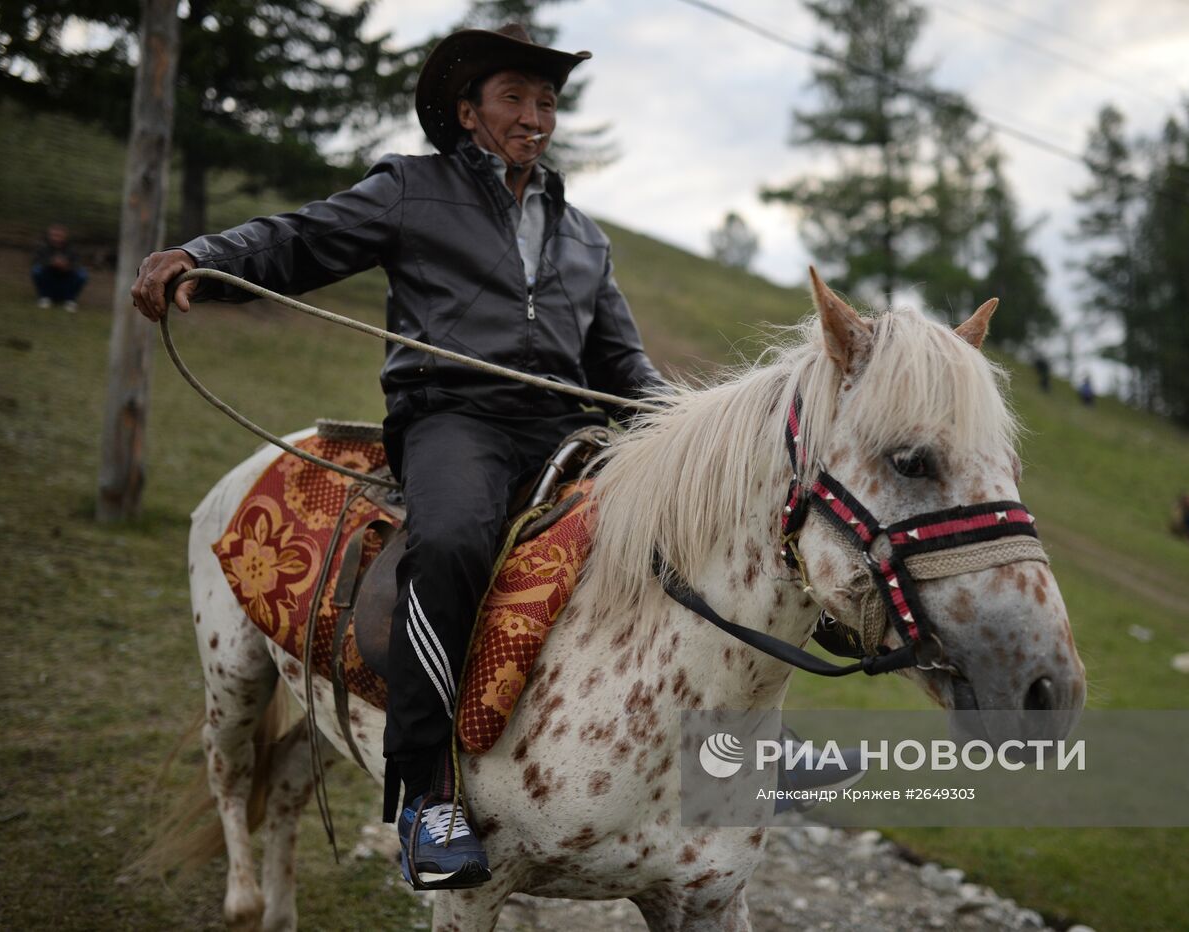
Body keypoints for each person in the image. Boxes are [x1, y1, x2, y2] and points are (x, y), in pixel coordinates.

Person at [131, 22, 859, 891]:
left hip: (565, 428)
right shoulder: (410, 190)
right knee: (451, 545)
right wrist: (204, 259)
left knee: (703, 536)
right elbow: (300, 239)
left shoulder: (584, 237)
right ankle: (426, 798)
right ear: (469, 111)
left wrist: (688, 440)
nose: (535, 116)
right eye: (515, 97)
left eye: (547, 101)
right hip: (453, 420)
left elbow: (621, 365)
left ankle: (715, 753)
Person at [31, 224, 88, 311]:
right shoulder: (43, 247)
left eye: (59, 236)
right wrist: (51, 263)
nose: (55, 238)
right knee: (36, 270)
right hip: (49, 278)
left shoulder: (72, 249)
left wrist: (67, 266)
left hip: (66, 280)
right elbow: (36, 261)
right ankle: (45, 298)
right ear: (49, 235)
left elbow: (77, 264)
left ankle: (70, 300)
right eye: (53, 235)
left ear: (65, 236)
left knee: (82, 273)